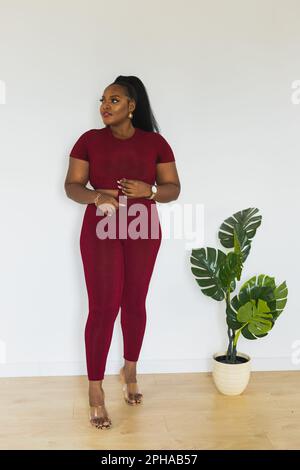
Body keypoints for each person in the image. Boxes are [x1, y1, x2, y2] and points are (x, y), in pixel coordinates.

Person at [64, 75, 181, 430]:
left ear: (132, 106)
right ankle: (96, 390)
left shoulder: (155, 143)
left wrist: (150, 191)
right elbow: (71, 185)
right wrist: (96, 197)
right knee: (103, 307)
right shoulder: (89, 141)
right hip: (101, 227)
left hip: (143, 229)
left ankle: (130, 369)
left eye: (114, 100)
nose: (105, 105)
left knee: (134, 303)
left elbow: (173, 188)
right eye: (103, 99)